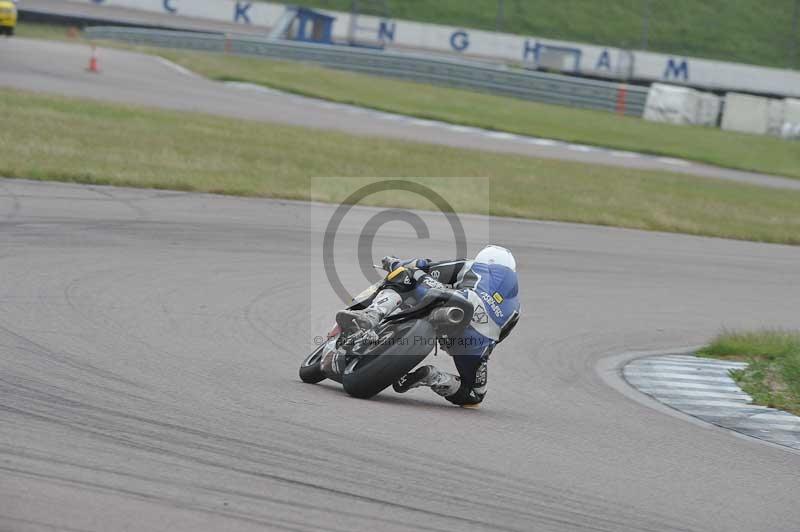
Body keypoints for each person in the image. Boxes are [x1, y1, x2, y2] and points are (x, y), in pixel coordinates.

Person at [335, 245, 520, 407]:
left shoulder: (473, 265)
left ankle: (372, 315)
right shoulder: (516, 308)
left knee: (405, 274)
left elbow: (427, 266)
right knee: (474, 395)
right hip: (477, 340)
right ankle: (433, 377)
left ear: (483, 258)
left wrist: (395, 263)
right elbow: (496, 340)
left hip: (459, 301)